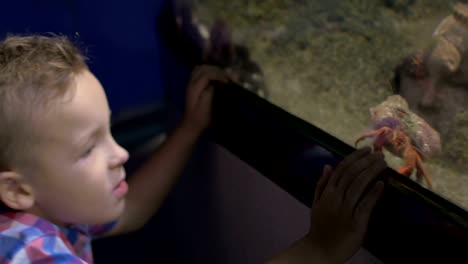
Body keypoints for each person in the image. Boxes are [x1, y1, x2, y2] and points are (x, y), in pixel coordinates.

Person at [0, 34, 387, 263]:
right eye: (88, 149)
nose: (120, 155)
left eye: (109, 133)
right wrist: (318, 249)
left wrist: (189, 129)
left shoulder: (53, 203)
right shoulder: (32, 254)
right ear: (17, 190)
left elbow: (131, 209)